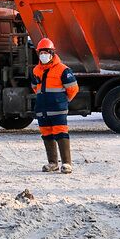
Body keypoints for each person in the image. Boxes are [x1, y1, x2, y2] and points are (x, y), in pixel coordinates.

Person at [32, 38, 79, 174]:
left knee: (61, 133)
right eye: (41, 52)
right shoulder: (36, 70)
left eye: (46, 52)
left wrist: (62, 102)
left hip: (58, 110)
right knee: (46, 134)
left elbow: (73, 89)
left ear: (52, 53)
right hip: (42, 110)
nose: (43, 55)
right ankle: (52, 163)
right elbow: (35, 87)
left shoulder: (63, 70)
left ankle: (66, 163)